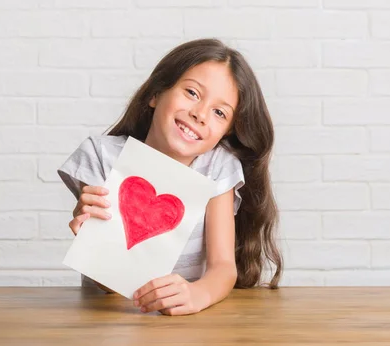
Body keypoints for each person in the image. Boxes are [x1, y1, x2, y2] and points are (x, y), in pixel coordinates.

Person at [57, 38, 283, 316]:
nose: (200, 114)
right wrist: (93, 242)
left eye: (219, 112)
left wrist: (198, 294)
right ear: (155, 94)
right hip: (109, 317)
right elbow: (106, 288)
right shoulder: (102, 156)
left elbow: (222, 267)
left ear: (226, 131)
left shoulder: (217, 166)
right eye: (192, 92)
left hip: (184, 320)